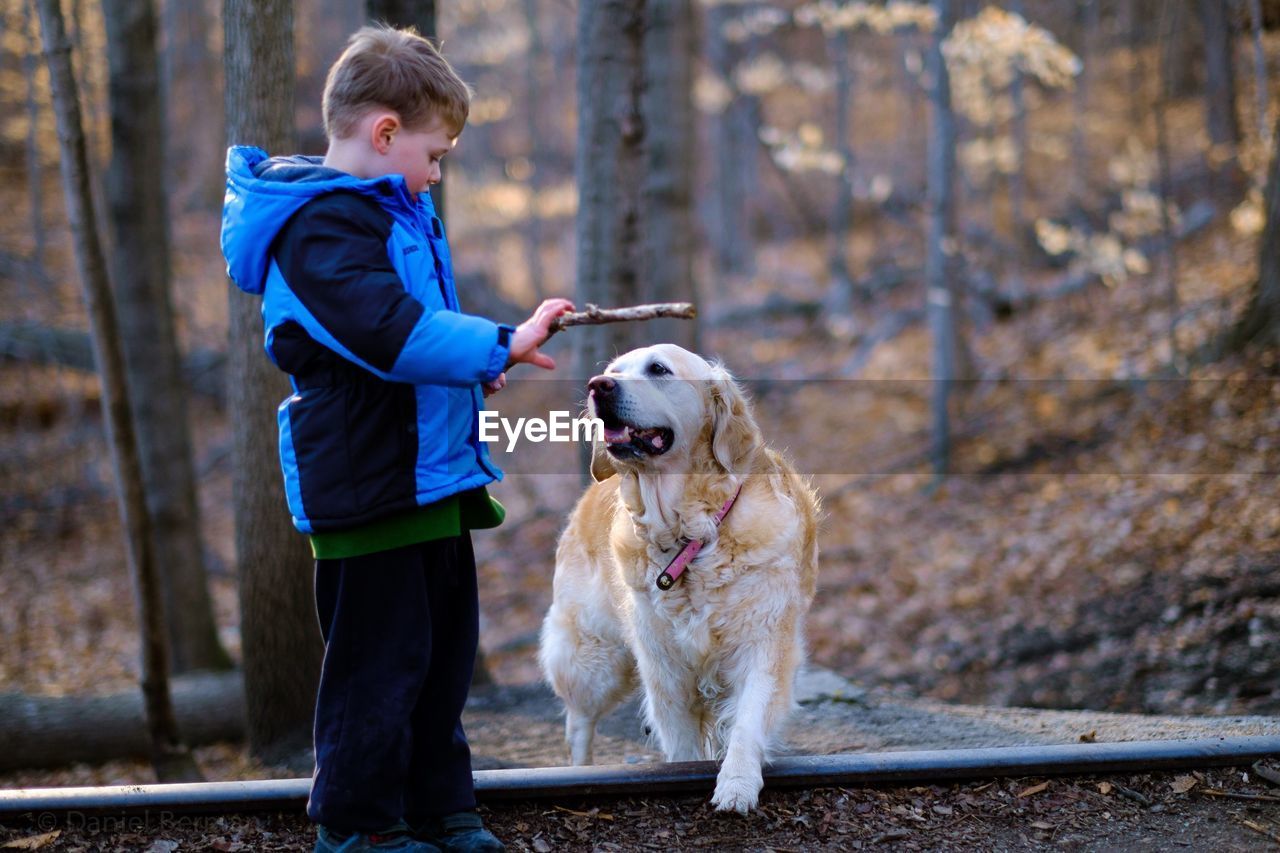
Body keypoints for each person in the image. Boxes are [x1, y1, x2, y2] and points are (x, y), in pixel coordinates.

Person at [220, 24, 573, 853]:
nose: (436, 172)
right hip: (370, 481)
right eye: (436, 153)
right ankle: (356, 824)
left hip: (435, 478)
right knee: (376, 666)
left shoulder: (394, 211)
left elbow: (417, 337)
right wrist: (499, 343)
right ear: (385, 134)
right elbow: (389, 334)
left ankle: (440, 803)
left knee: (442, 660)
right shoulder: (321, 229)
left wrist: (474, 365)